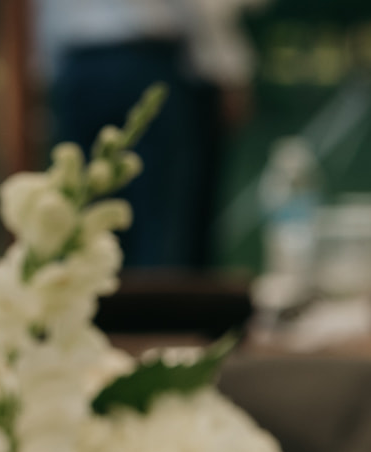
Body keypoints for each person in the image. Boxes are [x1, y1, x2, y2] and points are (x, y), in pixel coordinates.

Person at [36, 0, 262, 271]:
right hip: (145, 61)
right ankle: (155, 308)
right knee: (158, 227)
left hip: (77, 67)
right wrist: (226, 67)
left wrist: (40, 81)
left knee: (86, 223)